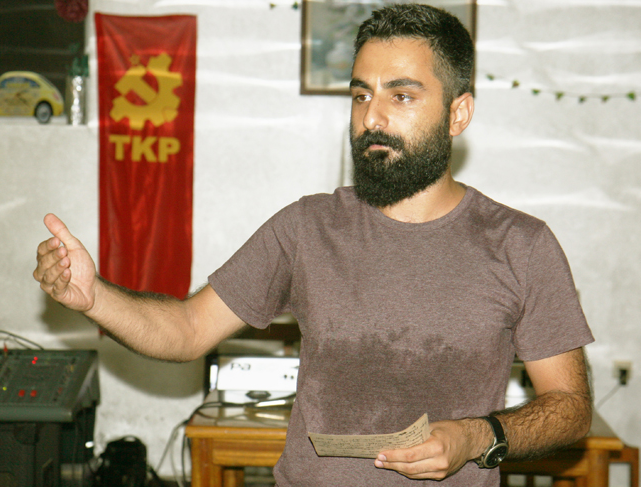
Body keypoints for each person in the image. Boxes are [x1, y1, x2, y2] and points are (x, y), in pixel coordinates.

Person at [34, 4, 594, 486]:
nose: (371, 117)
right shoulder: (306, 227)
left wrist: (476, 436)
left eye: (401, 96)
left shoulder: (522, 245)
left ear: (458, 113)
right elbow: (187, 329)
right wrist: (95, 296)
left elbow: (570, 409)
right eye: (360, 94)